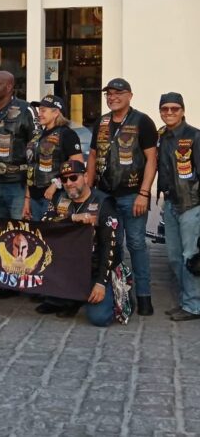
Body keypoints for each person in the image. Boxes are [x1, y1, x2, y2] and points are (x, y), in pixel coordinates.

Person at [86, 78, 158, 316]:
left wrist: (144, 193)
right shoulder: (102, 122)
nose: (112, 97)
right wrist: (89, 188)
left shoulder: (142, 121)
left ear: (130, 96)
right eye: (109, 94)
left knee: (136, 245)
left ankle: (144, 296)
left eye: (118, 93)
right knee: (111, 246)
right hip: (105, 196)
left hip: (132, 195)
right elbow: (93, 156)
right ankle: (119, 295)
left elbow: (152, 159)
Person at [41, 161, 133, 326]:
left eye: (73, 178)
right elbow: (44, 223)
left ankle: (119, 293)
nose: (69, 183)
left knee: (99, 318)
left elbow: (110, 246)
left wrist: (101, 283)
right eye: (64, 180)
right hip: (70, 267)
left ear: (85, 177)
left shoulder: (104, 203)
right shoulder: (59, 198)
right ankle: (73, 298)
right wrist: (72, 218)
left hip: (97, 268)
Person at [156, 93, 200, 321]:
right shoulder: (162, 136)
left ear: (182, 111)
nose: (169, 112)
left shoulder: (195, 136)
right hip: (171, 203)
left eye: (174, 108)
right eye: (165, 109)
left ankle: (193, 305)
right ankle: (186, 301)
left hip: (191, 205)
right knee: (174, 257)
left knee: (190, 256)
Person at [24, 95, 84, 222]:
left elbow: (77, 166)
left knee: (54, 231)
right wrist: (27, 199)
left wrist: (56, 184)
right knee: (37, 233)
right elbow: (31, 167)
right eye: (39, 110)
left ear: (56, 112)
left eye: (43, 110)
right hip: (34, 197)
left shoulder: (67, 134)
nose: (39, 114)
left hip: (56, 196)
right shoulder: (38, 135)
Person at [0, 70, 36, 221]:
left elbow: (37, 147)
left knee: (20, 230)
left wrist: (29, 192)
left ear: (9, 87)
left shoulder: (26, 110)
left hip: (17, 184)